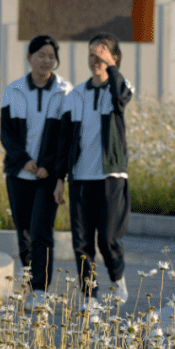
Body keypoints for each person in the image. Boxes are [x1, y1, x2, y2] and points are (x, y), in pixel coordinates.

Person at [53, 33, 134, 309]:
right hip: (81, 179)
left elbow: (121, 97)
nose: (95, 60)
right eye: (91, 55)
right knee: (82, 241)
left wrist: (112, 67)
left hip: (111, 175)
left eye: (101, 55)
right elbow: (63, 141)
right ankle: (90, 297)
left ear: (113, 58)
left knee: (109, 238)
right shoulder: (75, 95)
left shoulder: (119, 89)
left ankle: (118, 278)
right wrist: (60, 179)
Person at [0, 35, 71, 312]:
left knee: (42, 232)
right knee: (25, 233)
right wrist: (25, 161)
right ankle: (30, 284)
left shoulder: (65, 91)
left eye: (51, 56)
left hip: (48, 177)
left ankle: (40, 290)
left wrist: (49, 167)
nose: (46, 60)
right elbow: (7, 134)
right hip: (19, 173)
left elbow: (66, 137)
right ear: (29, 58)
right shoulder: (13, 90)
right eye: (40, 55)